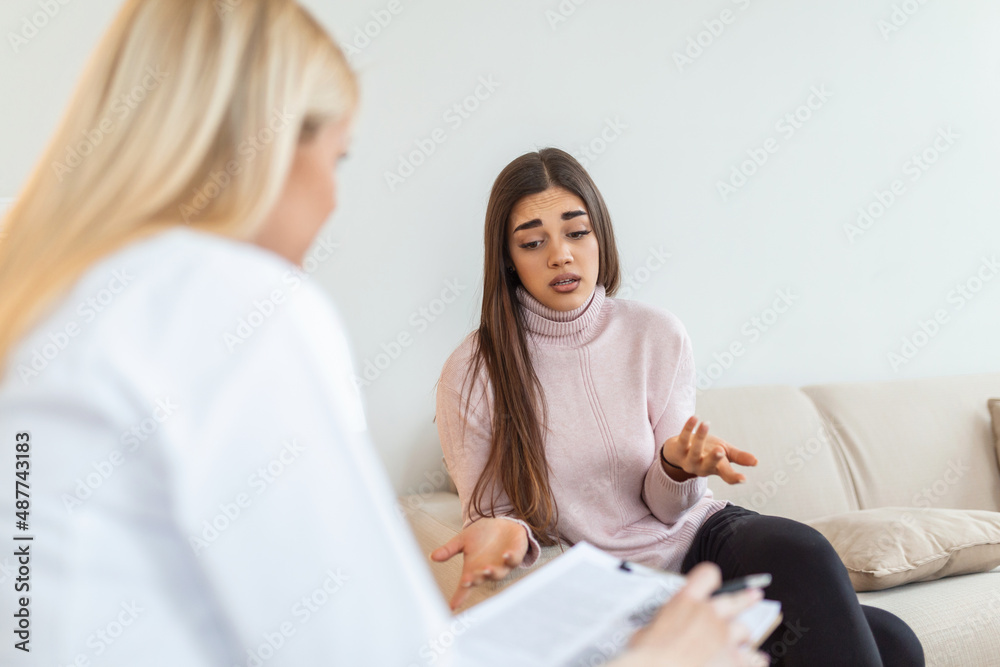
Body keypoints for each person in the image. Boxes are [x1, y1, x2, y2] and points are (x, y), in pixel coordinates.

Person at [0, 1, 764, 665]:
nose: (333, 198)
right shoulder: (233, 305)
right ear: (263, 151)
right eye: (337, 157)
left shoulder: (39, 307)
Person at [432, 148, 927, 666]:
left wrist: (675, 465)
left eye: (577, 232)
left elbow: (671, 507)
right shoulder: (473, 370)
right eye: (533, 242)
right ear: (508, 258)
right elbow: (491, 514)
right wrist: (501, 529)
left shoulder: (655, 333)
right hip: (617, 589)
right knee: (889, 647)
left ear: (601, 235)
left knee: (829, 576)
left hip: (701, 542)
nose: (560, 255)